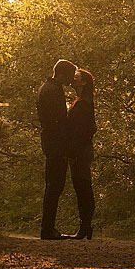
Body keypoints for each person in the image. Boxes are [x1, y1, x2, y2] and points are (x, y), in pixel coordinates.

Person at [36, 60, 88, 240]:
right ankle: (47, 229)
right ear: (62, 74)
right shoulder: (53, 90)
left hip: (51, 143)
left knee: (53, 185)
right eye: (70, 76)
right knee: (54, 185)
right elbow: (58, 121)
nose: (70, 81)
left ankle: (48, 228)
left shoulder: (47, 88)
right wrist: (66, 145)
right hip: (55, 144)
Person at [66, 69, 96, 239]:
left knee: (83, 186)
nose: (72, 79)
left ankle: (85, 226)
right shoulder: (82, 101)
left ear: (83, 82)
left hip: (81, 150)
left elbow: (85, 129)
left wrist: (74, 149)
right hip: (80, 149)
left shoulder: (84, 103)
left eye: (76, 78)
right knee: (82, 186)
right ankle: (85, 226)